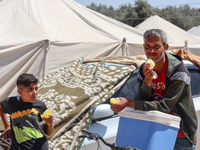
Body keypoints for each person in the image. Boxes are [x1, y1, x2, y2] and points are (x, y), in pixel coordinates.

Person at [111, 29, 198, 150]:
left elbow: (165, 106)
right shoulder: (143, 70)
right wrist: (147, 80)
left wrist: (128, 103)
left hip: (180, 134)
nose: (151, 50)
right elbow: (141, 100)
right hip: (153, 129)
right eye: (148, 46)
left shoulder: (178, 71)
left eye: (156, 46)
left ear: (165, 47)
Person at [0, 73, 54, 150]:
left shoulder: (40, 106)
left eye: (36, 88)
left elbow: (48, 132)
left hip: (40, 147)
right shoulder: (11, 103)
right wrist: (7, 126)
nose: (35, 92)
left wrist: (50, 123)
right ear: (20, 91)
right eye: (30, 89)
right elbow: (1, 107)